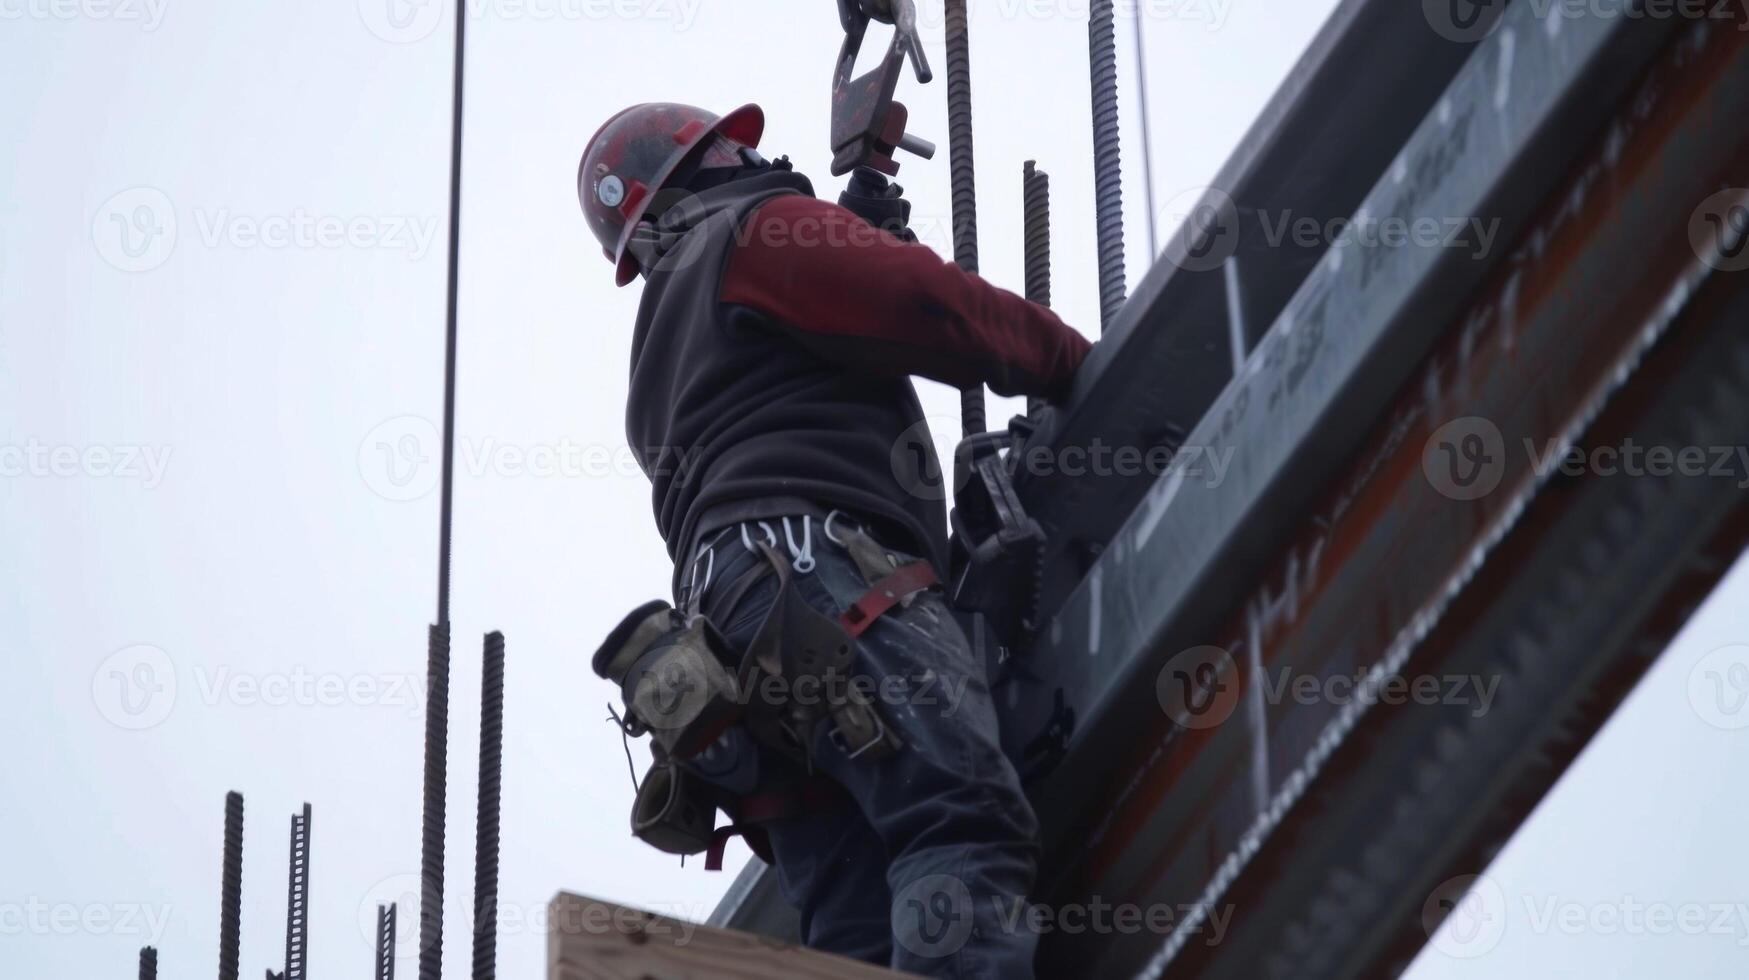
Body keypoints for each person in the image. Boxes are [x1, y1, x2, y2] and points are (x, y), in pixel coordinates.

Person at [579, 101, 1090, 979]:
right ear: (713, 162)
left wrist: (850, 239)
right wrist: (1074, 364)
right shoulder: (756, 232)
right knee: (955, 817)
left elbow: (797, 363)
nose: (756, 152)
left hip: (731, 634)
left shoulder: (661, 348)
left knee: (852, 922)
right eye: (735, 145)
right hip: (818, 572)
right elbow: (928, 306)